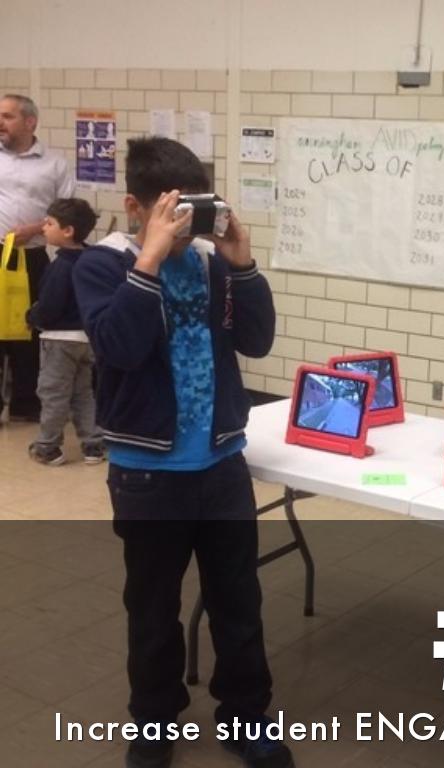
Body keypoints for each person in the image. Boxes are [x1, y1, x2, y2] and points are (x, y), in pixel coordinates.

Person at [72, 137, 291, 768]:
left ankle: (246, 717)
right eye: (171, 211)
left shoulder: (211, 265)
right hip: (148, 475)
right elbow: (117, 346)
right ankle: (154, 722)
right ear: (135, 207)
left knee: (238, 603)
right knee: (152, 608)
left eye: (193, 210)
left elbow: (257, 341)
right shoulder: (102, 267)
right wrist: (148, 260)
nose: (183, 225)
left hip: (221, 466)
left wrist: (242, 264)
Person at [0, 94, 76, 421]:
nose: (1, 122)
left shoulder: (55, 165)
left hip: (31, 256)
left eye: (8, 116)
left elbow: (68, 212)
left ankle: (25, 403)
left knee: (28, 329)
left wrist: (33, 229)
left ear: (30, 122)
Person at [25, 198, 104, 465]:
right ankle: (93, 444)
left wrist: (32, 317)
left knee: (53, 392)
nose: (43, 228)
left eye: (49, 223)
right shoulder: (91, 260)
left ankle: (48, 446)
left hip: (58, 341)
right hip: (86, 338)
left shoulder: (61, 266)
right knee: (83, 393)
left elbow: (49, 306)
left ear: (67, 230)